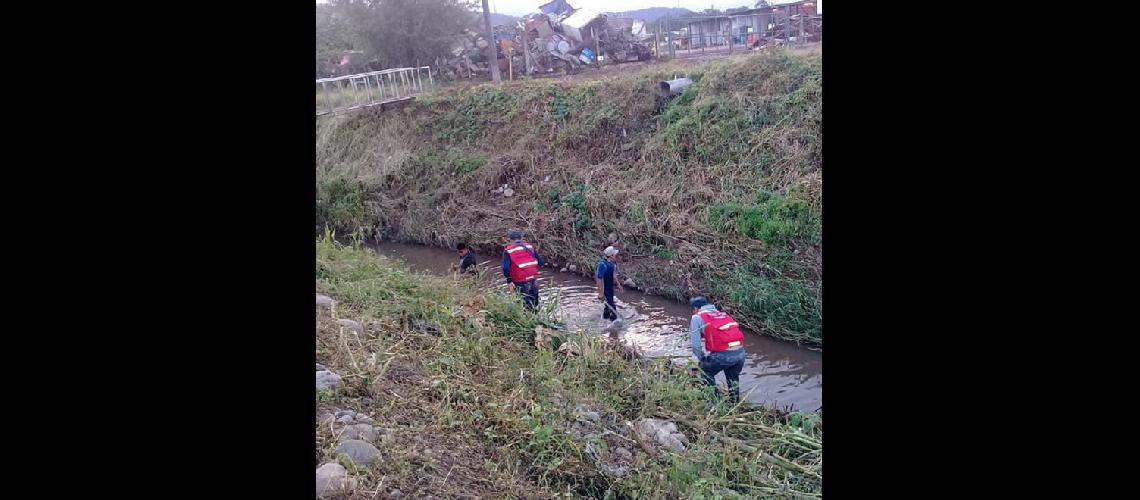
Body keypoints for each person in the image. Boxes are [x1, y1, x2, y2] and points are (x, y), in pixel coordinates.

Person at [689, 296, 747, 404]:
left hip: (724, 355)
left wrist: (702, 359)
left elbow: (696, 345)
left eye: (693, 310)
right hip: (741, 353)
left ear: (696, 309)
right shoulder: (723, 315)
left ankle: (715, 404)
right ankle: (734, 403)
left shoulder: (696, 317)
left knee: (705, 370)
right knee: (732, 379)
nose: (693, 312)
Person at [502, 230, 544, 311]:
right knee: (534, 302)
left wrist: (509, 280)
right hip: (533, 278)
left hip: (520, 280)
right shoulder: (530, 247)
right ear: (521, 239)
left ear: (510, 240)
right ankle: (536, 318)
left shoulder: (508, 250)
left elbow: (506, 268)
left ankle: (528, 320)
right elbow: (541, 262)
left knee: (524, 303)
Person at [595, 246, 625, 320]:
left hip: (610, 288)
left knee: (608, 306)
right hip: (605, 289)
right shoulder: (602, 265)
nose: (616, 256)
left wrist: (619, 285)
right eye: (615, 254)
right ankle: (614, 326)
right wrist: (600, 293)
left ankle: (604, 320)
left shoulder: (612, 264)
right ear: (611, 256)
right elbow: (599, 279)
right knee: (612, 308)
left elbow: (613, 275)